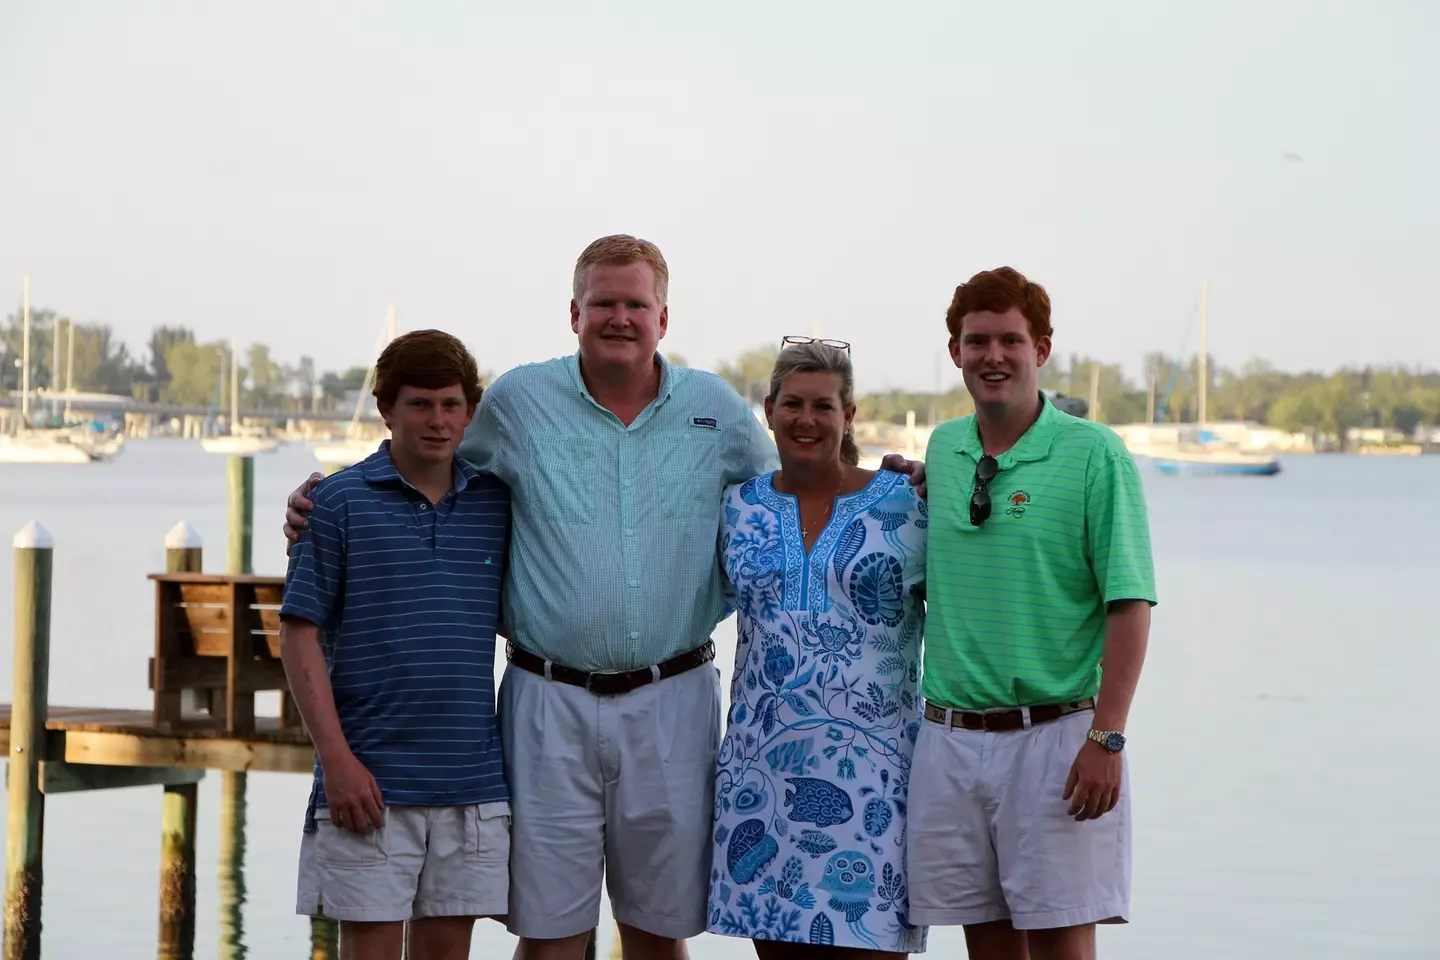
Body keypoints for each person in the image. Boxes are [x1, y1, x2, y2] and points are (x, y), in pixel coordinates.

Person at [283, 234, 926, 960]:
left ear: (663, 318)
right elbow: (429, 454)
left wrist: (890, 480)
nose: (620, 318)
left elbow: (797, 472)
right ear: (574, 313)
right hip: (546, 702)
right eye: (603, 304)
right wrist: (325, 498)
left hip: (673, 700)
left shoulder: (714, 408)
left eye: (636, 305)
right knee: (550, 935)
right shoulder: (519, 402)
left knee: (658, 933)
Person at [903, 267, 1157, 960]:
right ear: (955, 351)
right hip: (950, 739)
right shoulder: (944, 449)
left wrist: (1108, 738)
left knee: (1060, 946)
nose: (994, 356)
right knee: (985, 946)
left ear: (1041, 349)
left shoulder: (1094, 455)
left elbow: (1130, 603)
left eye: (1010, 340)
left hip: (1056, 739)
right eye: (977, 341)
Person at [278, 329, 512, 960]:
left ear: (470, 411)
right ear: (386, 408)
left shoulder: (496, 503)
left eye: (451, 404)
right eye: (419, 404)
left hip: (471, 785)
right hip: (369, 781)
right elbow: (297, 634)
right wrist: (336, 763)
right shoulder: (337, 503)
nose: (437, 421)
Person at [707, 339, 928, 960]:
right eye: (793, 404)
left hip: (876, 789)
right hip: (762, 782)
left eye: (824, 406)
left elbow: (967, 613)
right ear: (769, 411)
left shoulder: (909, 505)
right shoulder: (738, 507)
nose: (807, 419)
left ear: (848, 416)